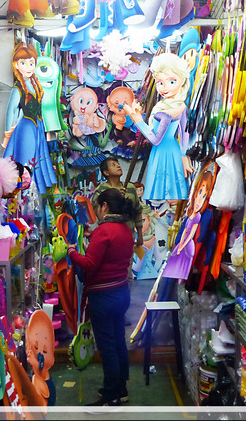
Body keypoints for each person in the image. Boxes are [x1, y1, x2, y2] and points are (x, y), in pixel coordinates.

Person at [67, 188, 139, 406]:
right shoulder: (126, 231)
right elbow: (108, 253)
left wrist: (72, 252)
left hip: (103, 298)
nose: (97, 211)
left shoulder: (104, 231)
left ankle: (111, 396)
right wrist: (92, 237)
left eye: (98, 206)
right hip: (120, 294)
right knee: (118, 343)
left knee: (107, 348)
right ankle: (121, 389)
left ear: (105, 206)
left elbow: (89, 264)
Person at [122, 53, 193, 202]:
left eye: (172, 81)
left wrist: (138, 121)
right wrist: (184, 155)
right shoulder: (176, 106)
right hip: (169, 149)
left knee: (167, 192)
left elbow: (155, 139)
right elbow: (184, 134)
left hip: (163, 149)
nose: (165, 87)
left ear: (182, 80)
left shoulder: (169, 110)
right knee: (170, 192)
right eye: (160, 82)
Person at [2, 43, 57, 194]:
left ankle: (32, 194)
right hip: (25, 128)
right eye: (23, 63)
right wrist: (7, 134)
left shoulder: (35, 85)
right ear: (16, 65)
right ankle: (24, 193)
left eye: (31, 63)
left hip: (37, 126)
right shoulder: (18, 87)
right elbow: (11, 111)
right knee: (26, 160)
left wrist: (47, 132)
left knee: (35, 160)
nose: (28, 67)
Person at [92, 157, 142, 248]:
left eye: (118, 163)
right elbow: (99, 215)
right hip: (110, 237)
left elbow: (137, 210)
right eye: (113, 165)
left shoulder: (130, 188)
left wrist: (140, 234)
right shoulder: (100, 191)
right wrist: (117, 199)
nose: (118, 166)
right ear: (106, 172)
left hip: (128, 235)